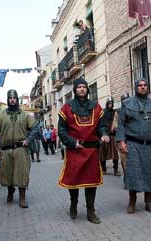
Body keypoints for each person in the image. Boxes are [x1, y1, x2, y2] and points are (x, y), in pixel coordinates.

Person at [57, 77, 109, 224]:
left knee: (91, 182)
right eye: (79, 87)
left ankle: (90, 211)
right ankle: (73, 204)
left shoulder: (96, 107)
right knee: (74, 181)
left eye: (84, 87)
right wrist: (73, 142)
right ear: (75, 90)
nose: (81, 89)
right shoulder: (66, 108)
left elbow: (101, 126)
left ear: (87, 89)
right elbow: (62, 131)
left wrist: (104, 134)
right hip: (75, 150)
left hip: (92, 150)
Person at [116, 79, 151, 214]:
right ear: (136, 87)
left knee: (150, 173)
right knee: (133, 173)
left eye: (145, 85)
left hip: (150, 145)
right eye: (140, 85)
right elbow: (121, 124)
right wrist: (121, 141)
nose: (143, 87)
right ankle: (132, 201)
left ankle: (148, 202)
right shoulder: (127, 104)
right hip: (133, 144)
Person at [0, 89, 39, 208]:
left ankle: (22, 198)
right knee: (7, 173)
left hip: (20, 149)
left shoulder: (24, 114)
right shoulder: (1, 114)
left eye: (14, 98)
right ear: (8, 99)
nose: (12, 100)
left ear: (17, 99)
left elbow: (35, 127)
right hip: (6, 149)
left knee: (21, 173)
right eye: (10, 98)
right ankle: (10, 191)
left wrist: (28, 140)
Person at [100, 97, 121, 176]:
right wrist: (103, 133)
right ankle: (103, 169)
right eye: (109, 103)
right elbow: (101, 123)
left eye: (111, 103)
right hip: (105, 134)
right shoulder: (103, 112)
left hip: (113, 135)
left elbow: (116, 122)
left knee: (115, 153)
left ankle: (116, 170)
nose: (110, 105)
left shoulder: (114, 112)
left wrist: (114, 128)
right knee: (103, 153)